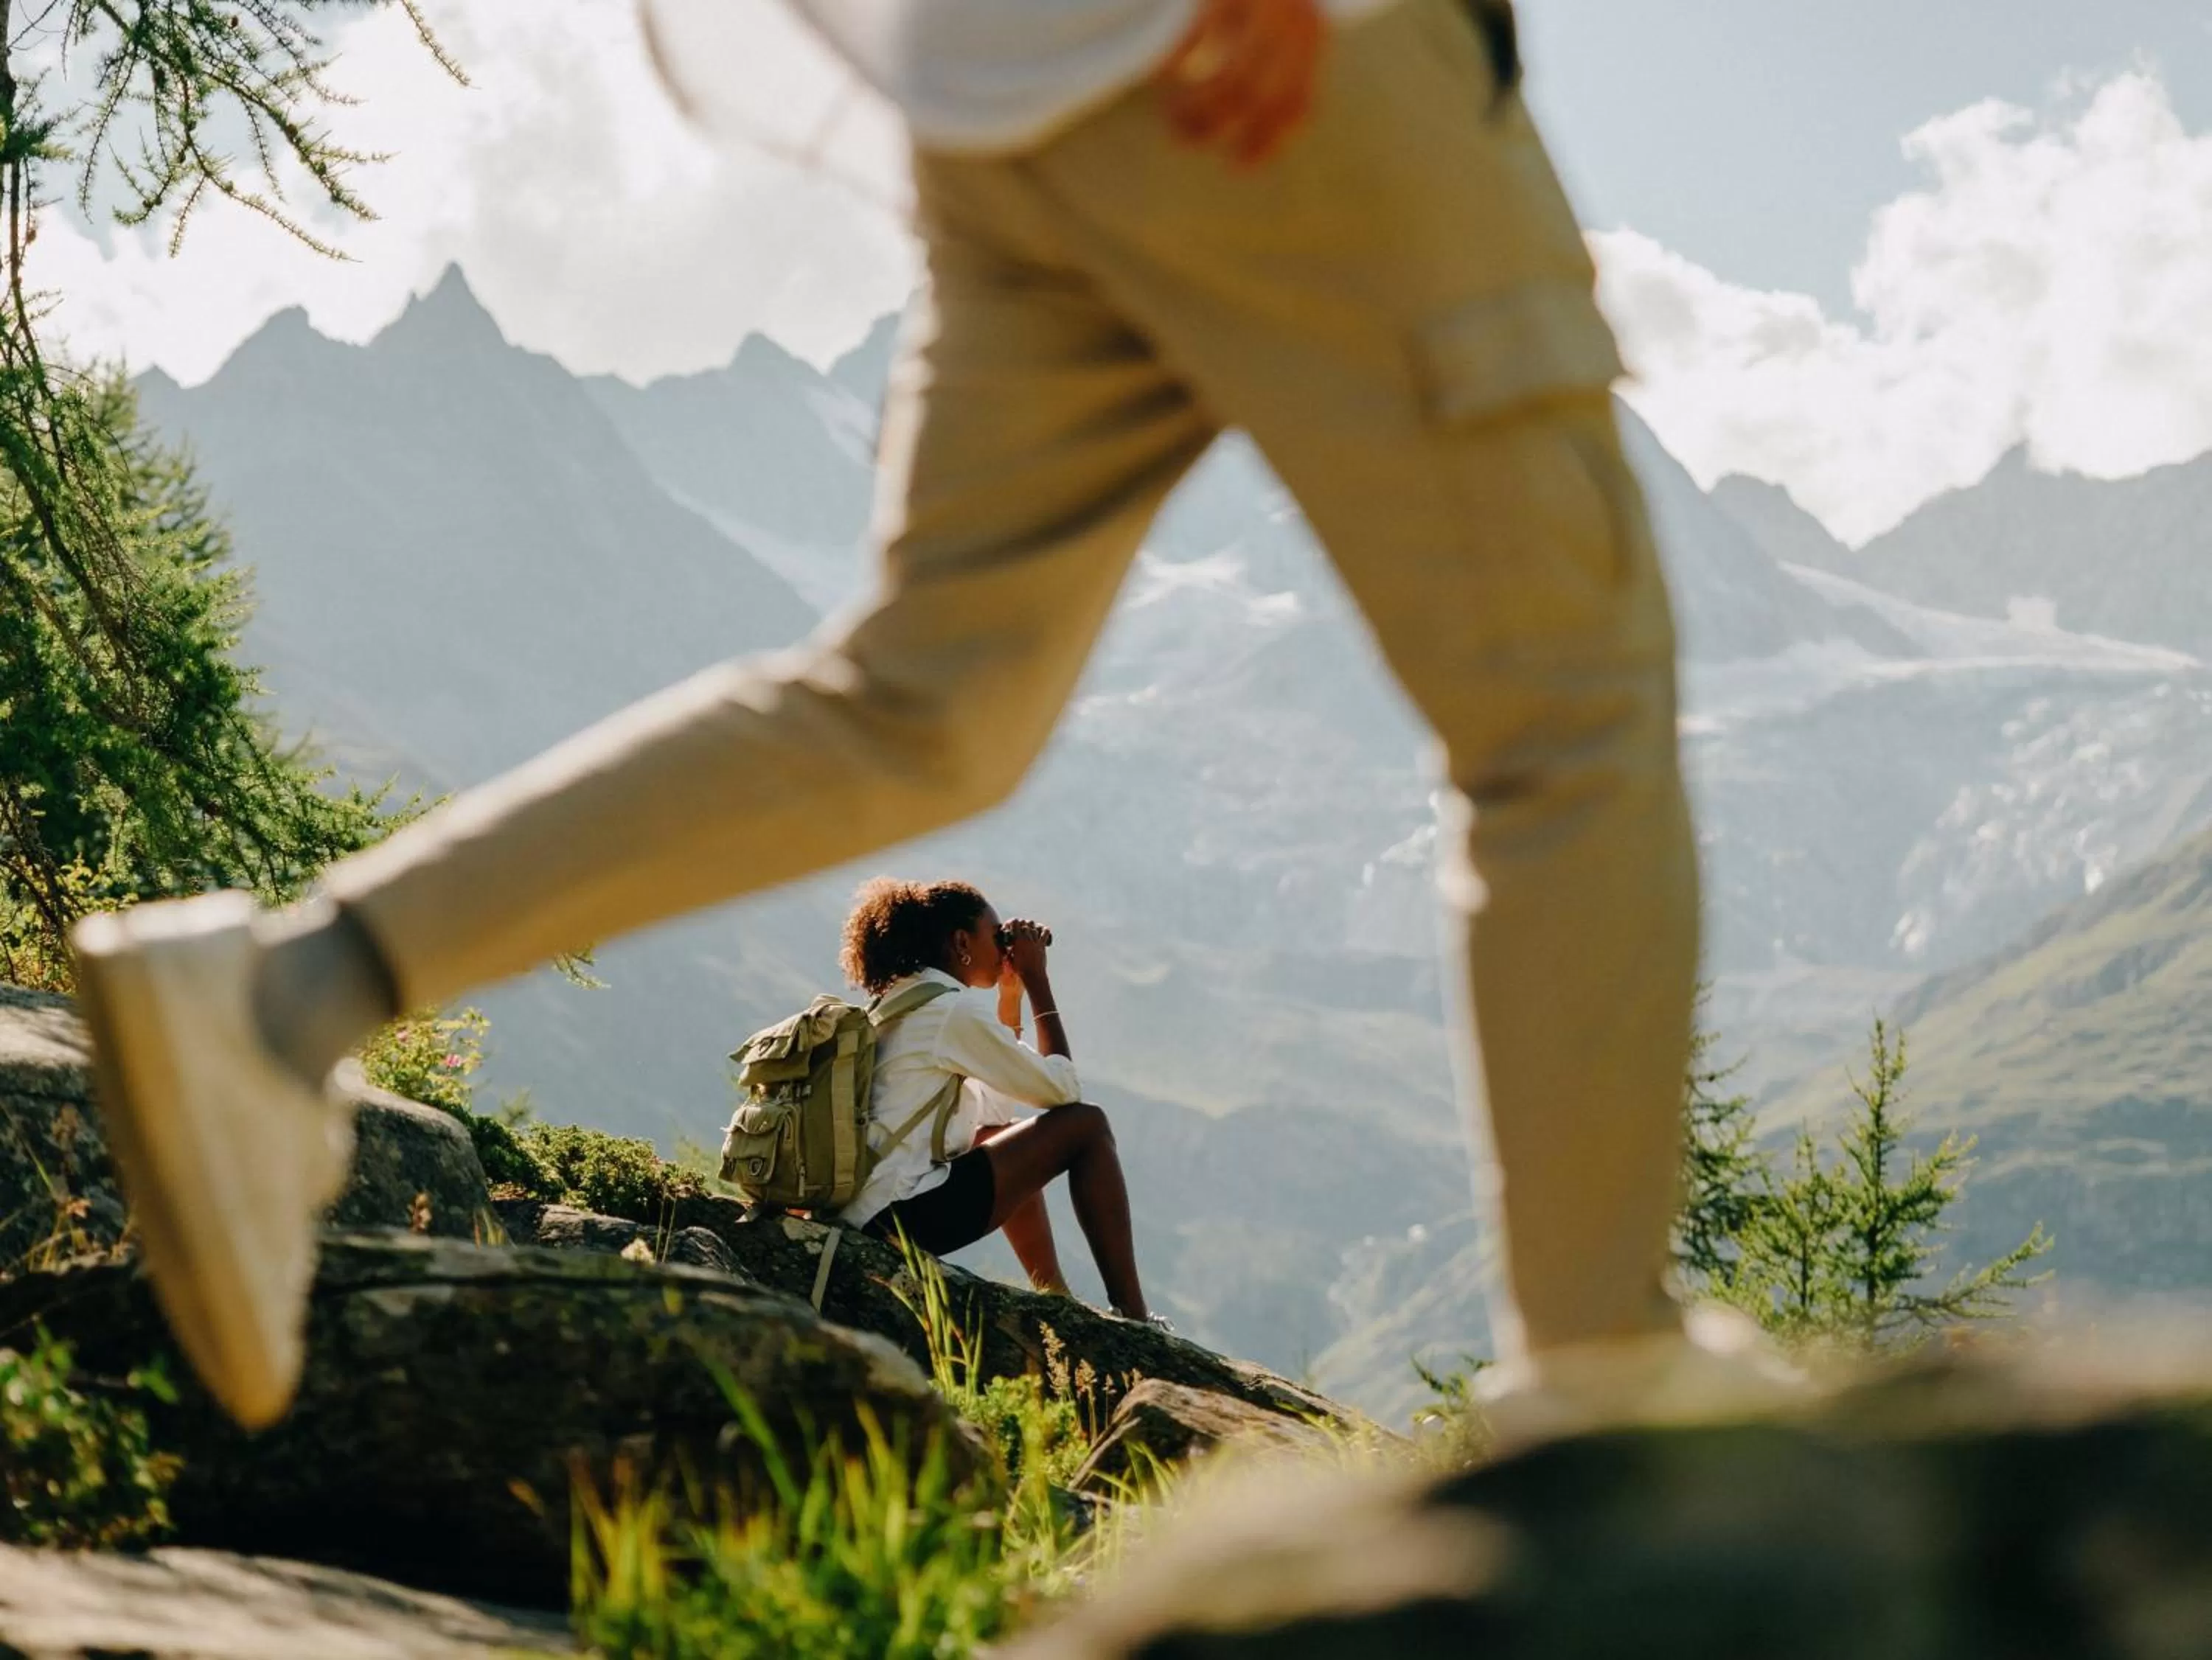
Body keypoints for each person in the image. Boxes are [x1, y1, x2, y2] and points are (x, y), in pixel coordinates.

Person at [69, 0, 1790, 1434]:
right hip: (1286, 73)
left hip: (1006, 78)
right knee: (1564, 723)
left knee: (921, 703)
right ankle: (1605, 1380)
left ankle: (287, 991)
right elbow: (1048, 1091)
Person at [830, 878, 1154, 1325]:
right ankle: (1136, 1317)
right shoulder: (950, 1011)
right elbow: (1063, 1091)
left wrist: (1010, 997)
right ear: (962, 941)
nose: (1004, 949)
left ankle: (1055, 1297)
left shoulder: (905, 998)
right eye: (996, 935)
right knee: (1087, 1125)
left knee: (996, 1134)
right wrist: (1038, 980)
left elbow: (993, 1114)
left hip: (866, 1209)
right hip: (899, 1217)